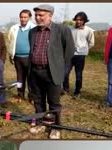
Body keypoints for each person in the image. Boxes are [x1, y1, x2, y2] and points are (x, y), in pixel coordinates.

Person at [28, 4, 74, 139]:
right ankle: (41, 123)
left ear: (50, 16)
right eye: (36, 15)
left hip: (52, 72)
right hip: (35, 72)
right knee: (38, 100)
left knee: (54, 102)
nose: (38, 17)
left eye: (41, 15)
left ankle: (55, 127)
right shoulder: (33, 32)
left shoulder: (62, 30)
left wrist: (57, 64)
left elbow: (69, 50)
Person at [62, 12, 95, 98]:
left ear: (84, 21)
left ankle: (77, 91)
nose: (78, 21)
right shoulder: (69, 29)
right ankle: (65, 89)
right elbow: (65, 40)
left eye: (80, 20)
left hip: (80, 56)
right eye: (77, 19)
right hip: (69, 54)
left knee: (78, 74)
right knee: (65, 73)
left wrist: (84, 50)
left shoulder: (89, 30)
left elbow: (91, 43)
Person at [8, 9, 36, 103]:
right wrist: (11, 55)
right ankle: (20, 95)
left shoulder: (34, 28)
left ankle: (31, 97)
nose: (23, 19)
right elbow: (10, 42)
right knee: (19, 78)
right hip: (17, 58)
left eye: (25, 17)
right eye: (21, 17)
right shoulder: (14, 28)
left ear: (29, 17)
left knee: (31, 78)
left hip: (29, 58)